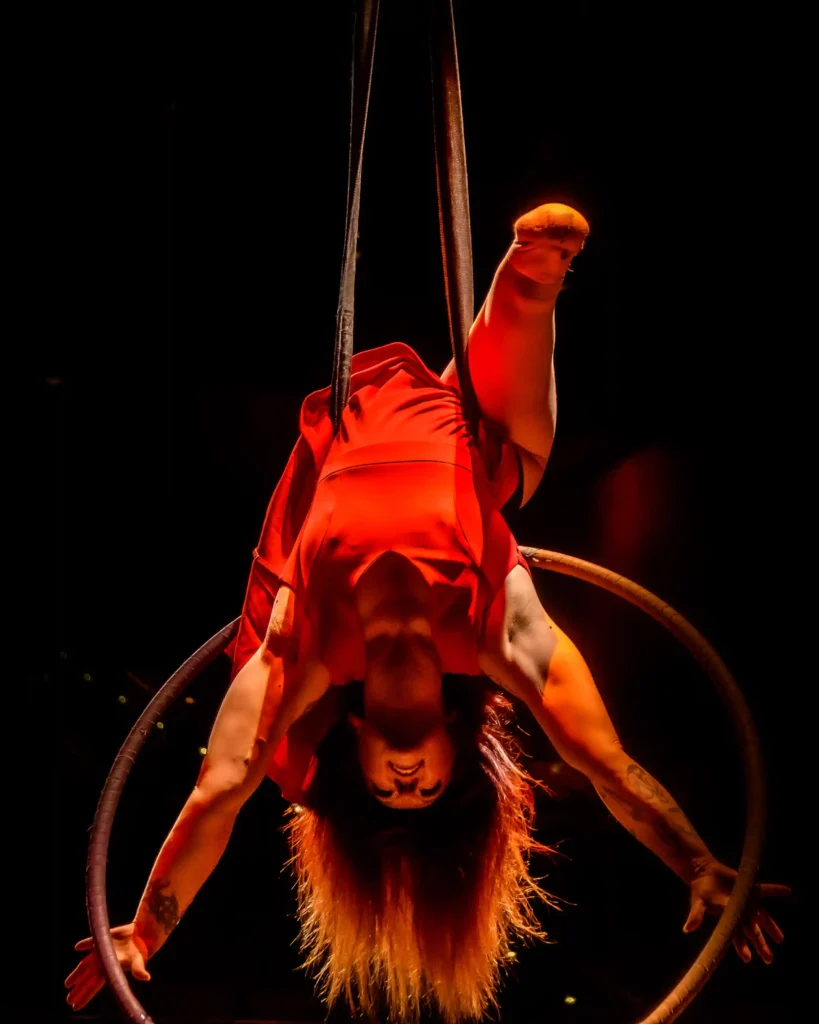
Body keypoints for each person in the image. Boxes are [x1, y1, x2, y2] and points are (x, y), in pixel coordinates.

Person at [65, 204, 788, 1023]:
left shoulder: (302, 655)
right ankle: (531, 277)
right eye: (427, 793)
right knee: (513, 436)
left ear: (357, 762)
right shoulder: (498, 640)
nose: (406, 786)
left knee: (491, 426)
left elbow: (217, 794)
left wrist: (149, 933)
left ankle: (526, 283)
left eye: (387, 795)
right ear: (456, 758)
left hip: (356, 432)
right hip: (472, 433)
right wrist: (697, 865)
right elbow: (608, 770)